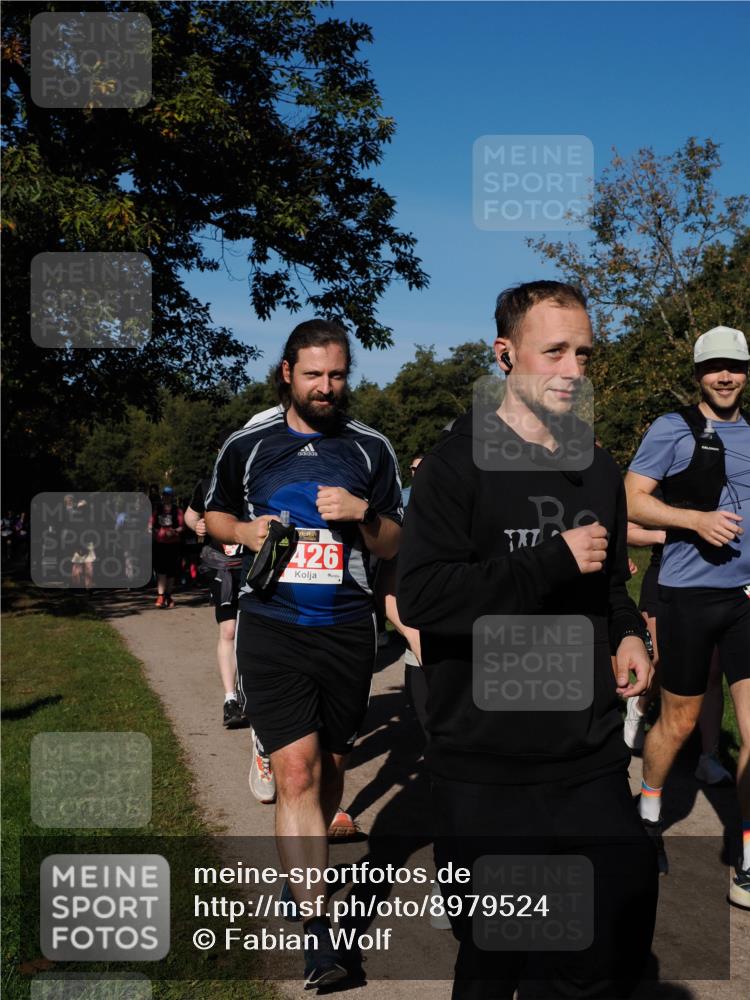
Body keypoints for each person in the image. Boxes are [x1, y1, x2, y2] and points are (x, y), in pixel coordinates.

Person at [397, 281, 657, 998]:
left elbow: (607, 589)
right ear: (505, 355)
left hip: (588, 758)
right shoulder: (456, 466)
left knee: (610, 945)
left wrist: (628, 632)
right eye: (555, 352)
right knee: (495, 957)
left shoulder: (597, 468)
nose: (574, 369)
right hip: (485, 767)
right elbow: (423, 597)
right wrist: (548, 560)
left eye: (584, 353)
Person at [205, 319, 403, 989]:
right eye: (313, 373)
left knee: (331, 769)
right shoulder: (249, 445)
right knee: (294, 771)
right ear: (287, 371)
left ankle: (304, 866)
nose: (326, 386)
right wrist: (247, 529)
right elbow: (214, 517)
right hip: (273, 625)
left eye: (337, 374)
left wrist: (361, 514)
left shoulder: (372, 449)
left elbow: (394, 543)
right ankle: (321, 938)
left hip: (349, 630)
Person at [625, 325, 750, 907]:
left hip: (745, 598)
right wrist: (695, 521)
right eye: (714, 367)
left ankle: (746, 856)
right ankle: (647, 812)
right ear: (698, 374)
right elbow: (632, 497)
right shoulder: (674, 428)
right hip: (687, 594)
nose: (726, 376)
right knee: (678, 720)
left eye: (736, 366)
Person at [625, 520, 733, 787]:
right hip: (667, 576)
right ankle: (638, 707)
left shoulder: (732, 485)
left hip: (717, 581)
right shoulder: (665, 481)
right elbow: (628, 531)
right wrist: (668, 534)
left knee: (711, 671)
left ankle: (708, 758)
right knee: (660, 661)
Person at [184, 467, 247, 732]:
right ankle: (230, 699)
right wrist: (195, 524)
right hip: (221, 564)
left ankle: (253, 691)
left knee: (253, 629)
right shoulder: (208, 483)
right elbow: (190, 515)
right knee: (229, 629)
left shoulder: (255, 477)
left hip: (253, 563)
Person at [149, 486, 184, 608]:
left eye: (168, 495)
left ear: (172, 497)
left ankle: (168, 595)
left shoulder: (177, 510)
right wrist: (156, 532)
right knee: (161, 571)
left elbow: (181, 527)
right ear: (162, 496)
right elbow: (151, 525)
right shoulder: (157, 510)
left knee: (171, 572)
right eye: (164, 495)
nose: (166, 497)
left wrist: (174, 531)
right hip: (160, 544)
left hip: (173, 544)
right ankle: (161, 595)